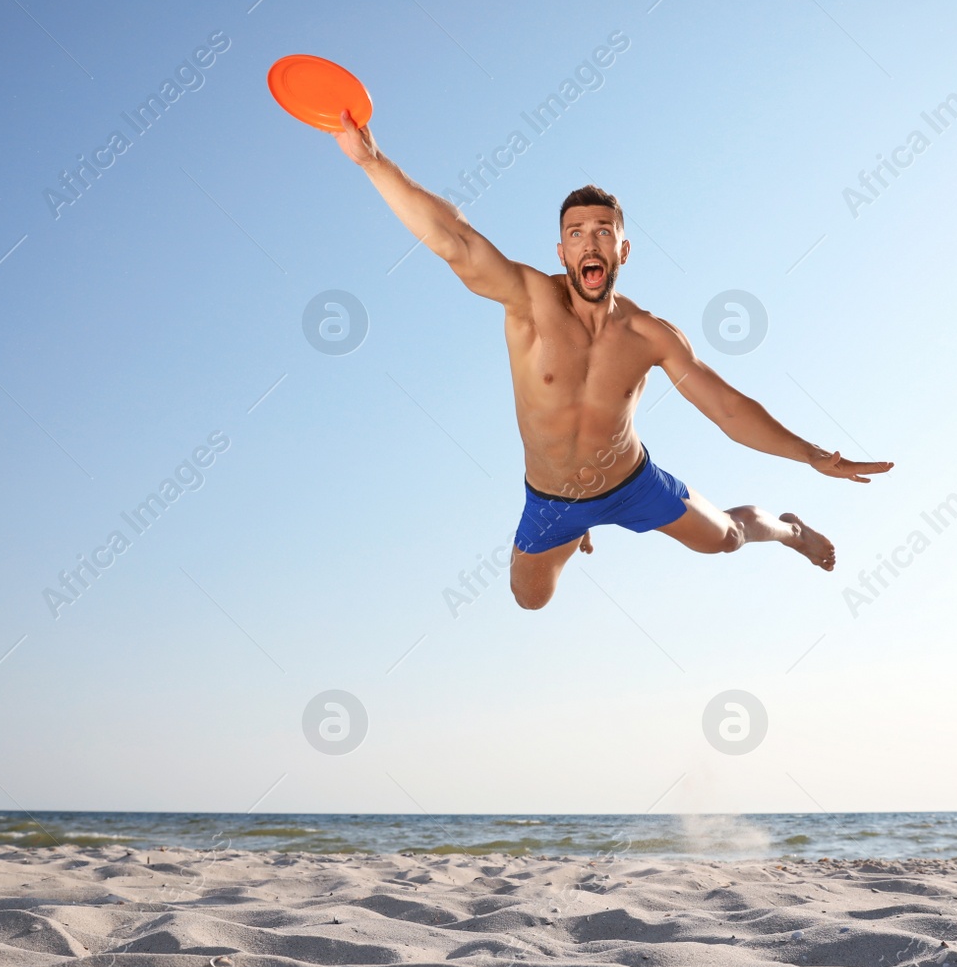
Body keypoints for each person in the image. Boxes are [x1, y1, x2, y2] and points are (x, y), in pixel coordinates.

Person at [334, 111, 893, 610]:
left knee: (726, 538)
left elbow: (727, 409)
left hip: (631, 481)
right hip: (552, 501)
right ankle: (575, 533)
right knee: (529, 599)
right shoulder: (530, 301)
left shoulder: (650, 334)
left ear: (622, 249)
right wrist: (373, 162)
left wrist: (813, 455)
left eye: (604, 232)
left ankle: (791, 530)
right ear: (562, 253)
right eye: (575, 234)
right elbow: (453, 239)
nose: (590, 243)